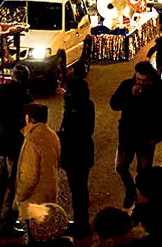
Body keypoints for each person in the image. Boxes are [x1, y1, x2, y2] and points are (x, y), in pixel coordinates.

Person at [110, 62, 162, 209]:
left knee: (144, 173)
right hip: (127, 137)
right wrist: (130, 96)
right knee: (120, 167)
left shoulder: (159, 92)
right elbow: (114, 104)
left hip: (146, 139)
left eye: (144, 80)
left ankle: (141, 200)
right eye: (139, 79)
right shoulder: (127, 85)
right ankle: (130, 189)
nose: (141, 83)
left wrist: (156, 137)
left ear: (150, 78)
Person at [0, 66, 33, 237]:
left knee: (2, 184)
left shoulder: (2, 91)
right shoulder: (25, 97)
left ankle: (2, 217)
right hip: (13, 146)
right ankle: (5, 223)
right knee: (11, 185)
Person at [57, 66, 95, 238]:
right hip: (82, 153)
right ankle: (81, 221)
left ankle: (82, 224)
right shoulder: (85, 104)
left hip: (76, 154)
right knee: (79, 190)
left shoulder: (77, 109)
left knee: (78, 190)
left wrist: (58, 137)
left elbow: (72, 132)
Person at [15, 103, 61, 227]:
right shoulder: (51, 134)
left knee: (33, 233)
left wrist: (19, 197)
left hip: (34, 198)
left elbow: (29, 175)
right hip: (49, 191)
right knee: (45, 230)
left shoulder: (32, 139)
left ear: (29, 118)